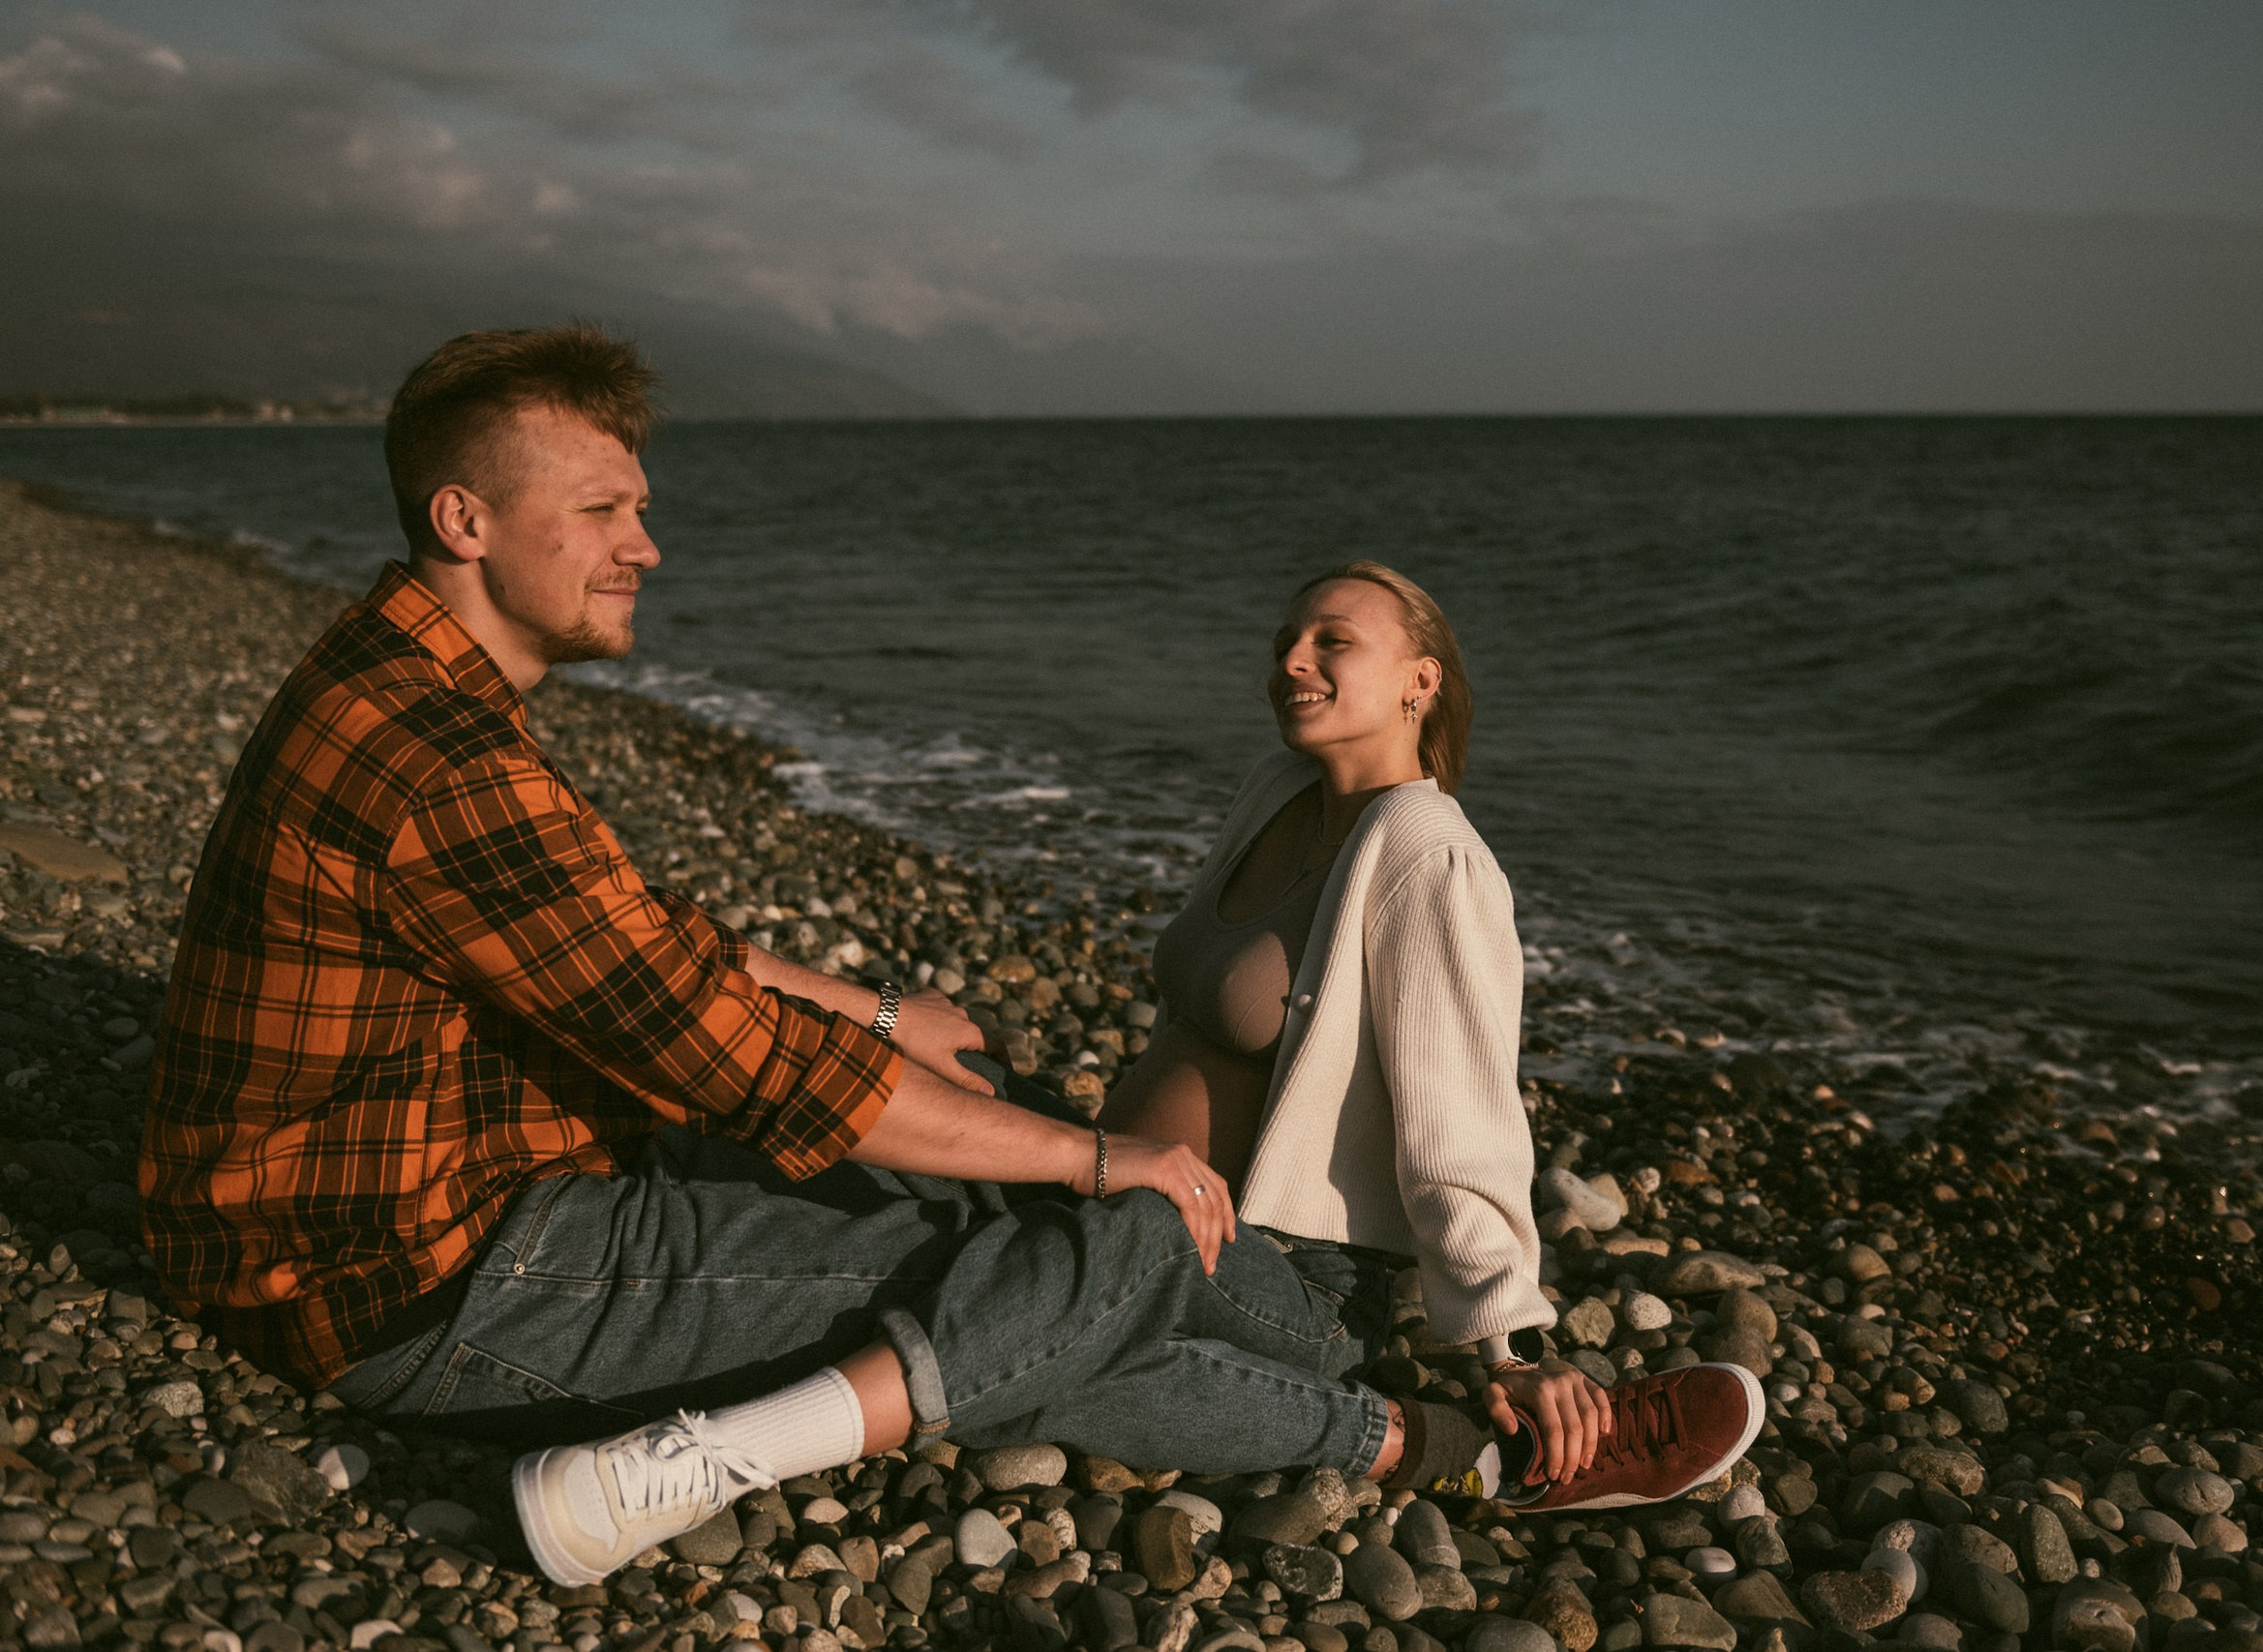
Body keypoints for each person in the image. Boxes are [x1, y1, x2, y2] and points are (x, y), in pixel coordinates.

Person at [139, 325, 1498, 1589]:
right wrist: (1098, 1157)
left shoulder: (404, 685)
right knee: (1081, 1248)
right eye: (604, 510)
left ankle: (1368, 1391)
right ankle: (1394, 1436)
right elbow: (744, 1060)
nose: (645, 546)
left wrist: (883, 1006)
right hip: (416, 1278)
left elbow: (630, 935)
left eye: (642, 508)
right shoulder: (436, 755)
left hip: (404, 1205)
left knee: (1030, 1203)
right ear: (464, 519)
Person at [1102, 562, 1763, 1510]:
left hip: (1275, 1274)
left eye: (1332, 641)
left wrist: (1512, 1345)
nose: (1291, 660)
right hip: (1123, 1199)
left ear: (1421, 681)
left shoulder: (1426, 850)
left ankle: (1490, 1459)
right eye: (1285, 642)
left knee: (1018, 1309)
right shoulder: (1277, 788)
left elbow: (1459, 1117)